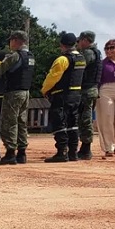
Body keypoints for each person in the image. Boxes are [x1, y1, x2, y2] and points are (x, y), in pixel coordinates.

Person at [42, 32, 86, 163]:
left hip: (62, 95)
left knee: (59, 122)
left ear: (62, 45)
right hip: (76, 95)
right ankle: (73, 153)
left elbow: (53, 77)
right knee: (73, 124)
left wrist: (44, 89)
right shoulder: (82, 59)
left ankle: (62, 152)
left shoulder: (62, 60)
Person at [0, 30, 35, 165]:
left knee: (9, 122)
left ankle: (10, 153)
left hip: (13, 93)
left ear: (16, 40)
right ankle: (22, 153)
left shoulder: (14, 56)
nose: (10, 43)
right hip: (26, 92)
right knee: (22, 122)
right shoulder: (30, 56)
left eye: (11, 40)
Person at [76, 31, 102, 160]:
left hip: (86, 90)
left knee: (85, 119)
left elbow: (78, 69)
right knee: (85, 118)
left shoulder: (88, 53)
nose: (78, 43)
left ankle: (86, 149)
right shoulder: (96, 53)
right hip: (92, 90)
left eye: (79, 41)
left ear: (85, 40)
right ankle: (84, 148)